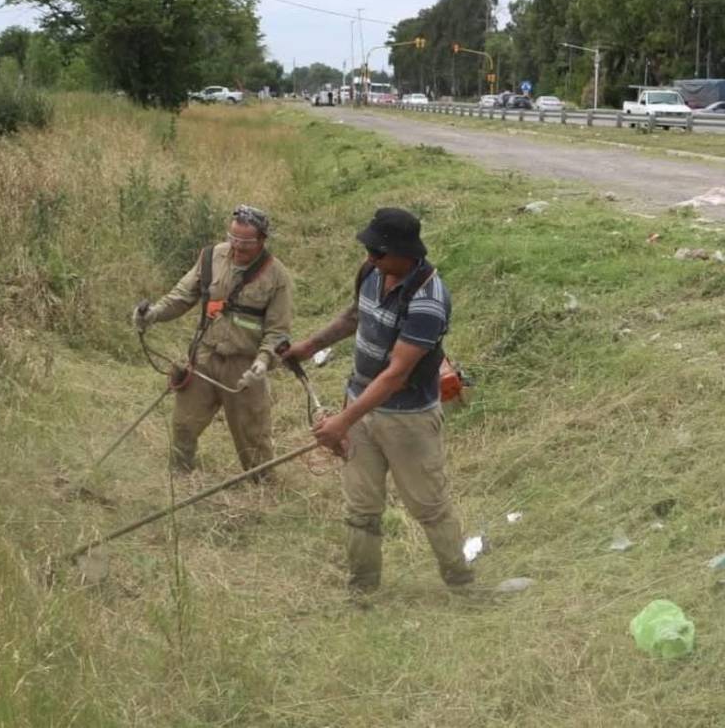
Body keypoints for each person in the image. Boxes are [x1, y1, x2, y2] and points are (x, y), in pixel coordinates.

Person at [283, 208, 473, 592]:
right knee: (361, 509)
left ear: (406, 253)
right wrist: (309, 346)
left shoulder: (429, 302)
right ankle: (362, 589)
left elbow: (395, 375)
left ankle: (462, 584)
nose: (370, 258)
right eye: (369, 250)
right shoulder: (371, 272)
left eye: (379, 252)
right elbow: (355, 316)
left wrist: (342, 421)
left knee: (430, 507)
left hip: (408, 421)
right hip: (361, 406)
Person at [133, 205, 293, 476]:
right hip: (204, 358)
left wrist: (263, 362)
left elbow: (278, 331)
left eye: (245, 243)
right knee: (183, 425)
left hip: (244, 366)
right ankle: (179, 479)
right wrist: (153, 314)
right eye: (233, 239)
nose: (237, 247)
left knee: (254, 438)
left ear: (262, 240)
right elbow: (182, 296)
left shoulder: (277, 276)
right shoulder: (210, 257)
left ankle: (262, 491)